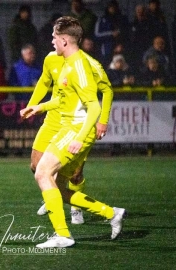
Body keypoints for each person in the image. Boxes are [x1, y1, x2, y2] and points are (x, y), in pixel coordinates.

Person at [20, 16, 126, 248]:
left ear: (65, 41)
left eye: (54, 38)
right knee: (53, 183)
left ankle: (63, 235)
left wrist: (80, 137)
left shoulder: (79, 66)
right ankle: (110, 212)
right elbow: (63, 99)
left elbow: (95, 105)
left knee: (42, 173)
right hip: (68, 126)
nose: (51, 41)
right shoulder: (66, 62)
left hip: (76, 128)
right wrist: (39, 107)